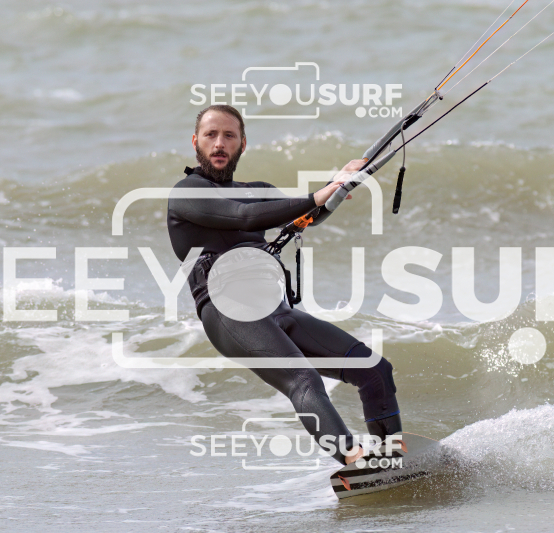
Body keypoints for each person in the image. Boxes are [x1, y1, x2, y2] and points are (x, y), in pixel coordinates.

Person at [168, 104, 401, 465]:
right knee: (303, 380)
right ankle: (354, 462)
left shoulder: (257, 191)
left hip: (274, 309)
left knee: (374, 370)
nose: (219, 143)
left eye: (229, 135)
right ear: (196, 141)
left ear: (243, 144)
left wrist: (341, 182)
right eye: (211, 135)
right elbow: (243, 216)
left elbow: (309, 212)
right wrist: (319, 194)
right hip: (228, 310)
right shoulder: (187, 192)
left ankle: (393, 460)